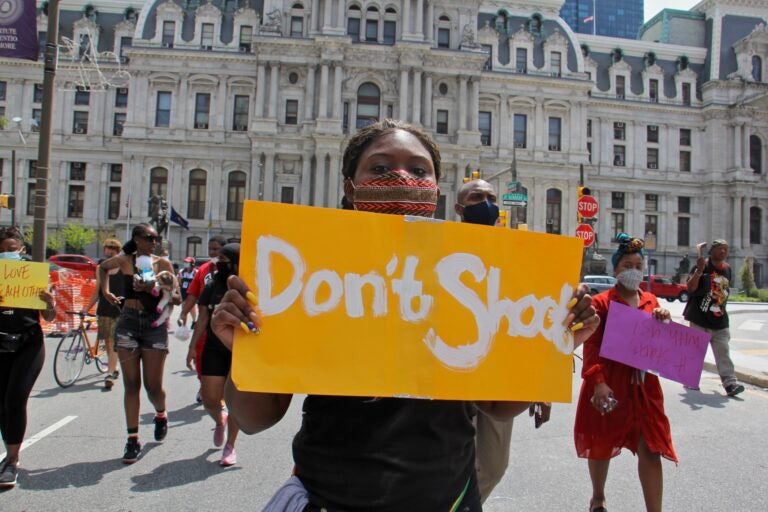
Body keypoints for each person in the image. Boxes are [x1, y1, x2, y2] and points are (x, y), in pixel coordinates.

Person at [211, 120, 600, 511]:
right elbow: (255, 417)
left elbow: (500, 407)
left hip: (448, 500)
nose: (401, 177)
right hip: (332, 499)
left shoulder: (467, 272)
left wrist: (550, 342)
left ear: (436, 186)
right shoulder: (306, 270)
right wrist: (240, 348)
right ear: (350, 186)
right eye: (380, 168)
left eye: (418, 170)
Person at [454, 178, 552, 503]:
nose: (487, 203)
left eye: (491, 197)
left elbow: (532, 316)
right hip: (451, 366)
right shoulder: (442, 246)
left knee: (494, 465)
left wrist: (541, 384)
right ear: (459, 208)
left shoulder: (518, 254)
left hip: (499, 371)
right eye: (477, 197)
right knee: (445, 458)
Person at [574, 233, 676, 512]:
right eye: (626, 265)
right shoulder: (603, 303)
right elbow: (591, 345)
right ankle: (598, 496)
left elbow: (660, 345)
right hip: (609, 383)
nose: (633, 271)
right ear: (615, 269)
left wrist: (664, 320)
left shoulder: (652, 300)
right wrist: (598, 382)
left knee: (651, 446)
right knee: (601, 441)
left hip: (645, 388)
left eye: (637, 266)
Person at [98, 223, 180, 463]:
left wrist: (155, 286)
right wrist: (105, 292)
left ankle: (161, 414)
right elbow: (102, 268)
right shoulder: (124, 260)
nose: (153, 242)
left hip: (154, 326)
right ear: (136, 239)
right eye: (148, 238)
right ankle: (132, 439)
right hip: (129, 323)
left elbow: (176, 297)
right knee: (131, 384)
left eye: (156, 238)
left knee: (153, 387)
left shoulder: (163, 264)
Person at [0, 227, 57, 488]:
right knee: (2, 402)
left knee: (15, 398)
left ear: (22, 250)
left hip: (28, 345)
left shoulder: (34, 276)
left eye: (12, 250)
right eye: (2, 250)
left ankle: (12, 461)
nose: (8, 254)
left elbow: (49, 318)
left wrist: (49, 303)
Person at [192, 243, 242, 466]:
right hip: (213, 347)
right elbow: (202, 317)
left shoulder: (245, 286)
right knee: (211, 399)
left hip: (239, 349)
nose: (217, 262)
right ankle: (219, 420)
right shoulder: (211, 285)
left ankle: (230, 445)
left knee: (236, 401)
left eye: (223, 259)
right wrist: (193, 346)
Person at [684, 239, 744, 397]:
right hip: (699, 318)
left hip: (720, 318)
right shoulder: (702, 265)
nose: (723, 252)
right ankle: (691, 378)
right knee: (696, 352)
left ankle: (730, 382)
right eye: (720, 249)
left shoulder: (728, 269)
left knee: (723, 351)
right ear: (711, 251)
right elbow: (690, 288)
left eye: (726, 249)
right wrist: (699, 271)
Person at [181, 236, 226, 403]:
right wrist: (183, 313)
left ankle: (221, 391)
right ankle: (203, 384)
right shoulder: (203, 269)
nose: (212, 252)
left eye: (216, 249)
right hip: (204, 321)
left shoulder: (233, 270)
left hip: (224, 323)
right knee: (200, 355)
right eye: (210, 249)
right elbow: (193, 293)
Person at [84, 238, 123, 390]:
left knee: (113, 341)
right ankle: (114, 367)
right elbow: (97, 291)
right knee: (107, 341)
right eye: (107, 254)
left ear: (117, 254)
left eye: (112, 254)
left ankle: (110, 372)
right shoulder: (101, 268)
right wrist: (86, 308)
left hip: (120, 309)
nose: (108, 258)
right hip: (104, 309)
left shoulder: (123, 267)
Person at [178, 257, 198, 325]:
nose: (186, 264)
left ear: (192, 264)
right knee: (184, 308)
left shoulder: (196, 272)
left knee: (192, 308)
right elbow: (179, 282)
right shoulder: (181, 272)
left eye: (187, 262)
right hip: (184, 292)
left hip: (192, 293)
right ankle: (184, 325)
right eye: (185, 262)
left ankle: (194, 321)